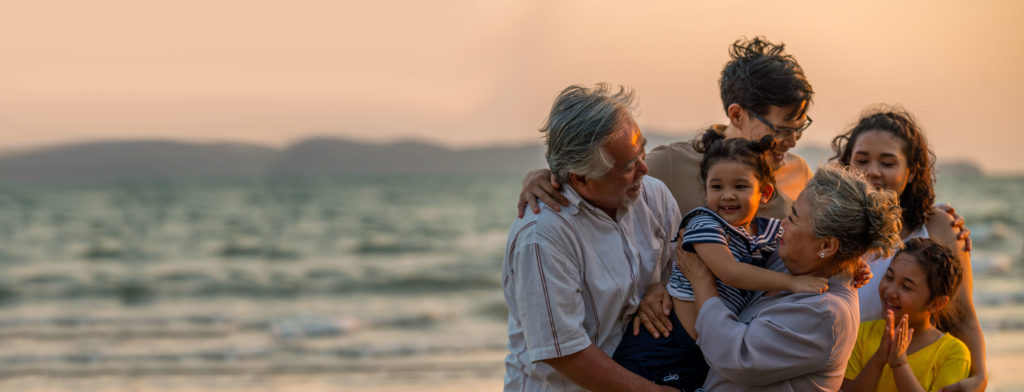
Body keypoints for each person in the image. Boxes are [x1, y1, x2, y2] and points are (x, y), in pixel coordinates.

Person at [611, 130, 827, 391]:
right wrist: (792, 283)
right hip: (666, 341)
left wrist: (848, 266)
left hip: (703, 353)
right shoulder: (704, 224)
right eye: (717, 187)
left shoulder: (767, 231)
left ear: (766, 192)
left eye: (740, 186)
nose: (727, 195)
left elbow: (804, 242)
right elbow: (729, 271)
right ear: (705, 192)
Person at [501, 83, 679, 391]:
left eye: (642, 151)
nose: (644, 168)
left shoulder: (654, 196)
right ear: (581, 178)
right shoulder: (542, 236)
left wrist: (662, 288)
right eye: (627, 166)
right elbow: (565, 353)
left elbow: (685, 275)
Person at [675, 163, 903, 391]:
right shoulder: (796, 262)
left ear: (827, 245)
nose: (782, 223)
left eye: (793, 218)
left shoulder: (824, 314)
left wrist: (700, 281)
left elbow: (737, 356)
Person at [832, 108, 986, 391]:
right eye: (861, 160)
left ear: (912, 171)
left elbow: (962, 314)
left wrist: (979, 377)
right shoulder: (831, 229)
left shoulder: (938, 226)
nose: (872, 171)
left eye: (888, 163)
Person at [843, 238, 971, 391]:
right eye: (889, 277)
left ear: (936, 303)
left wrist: (899, 364)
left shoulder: (953, 353)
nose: (890, 291)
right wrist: (878, 359)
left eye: (906, 287)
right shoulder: (861, 334)